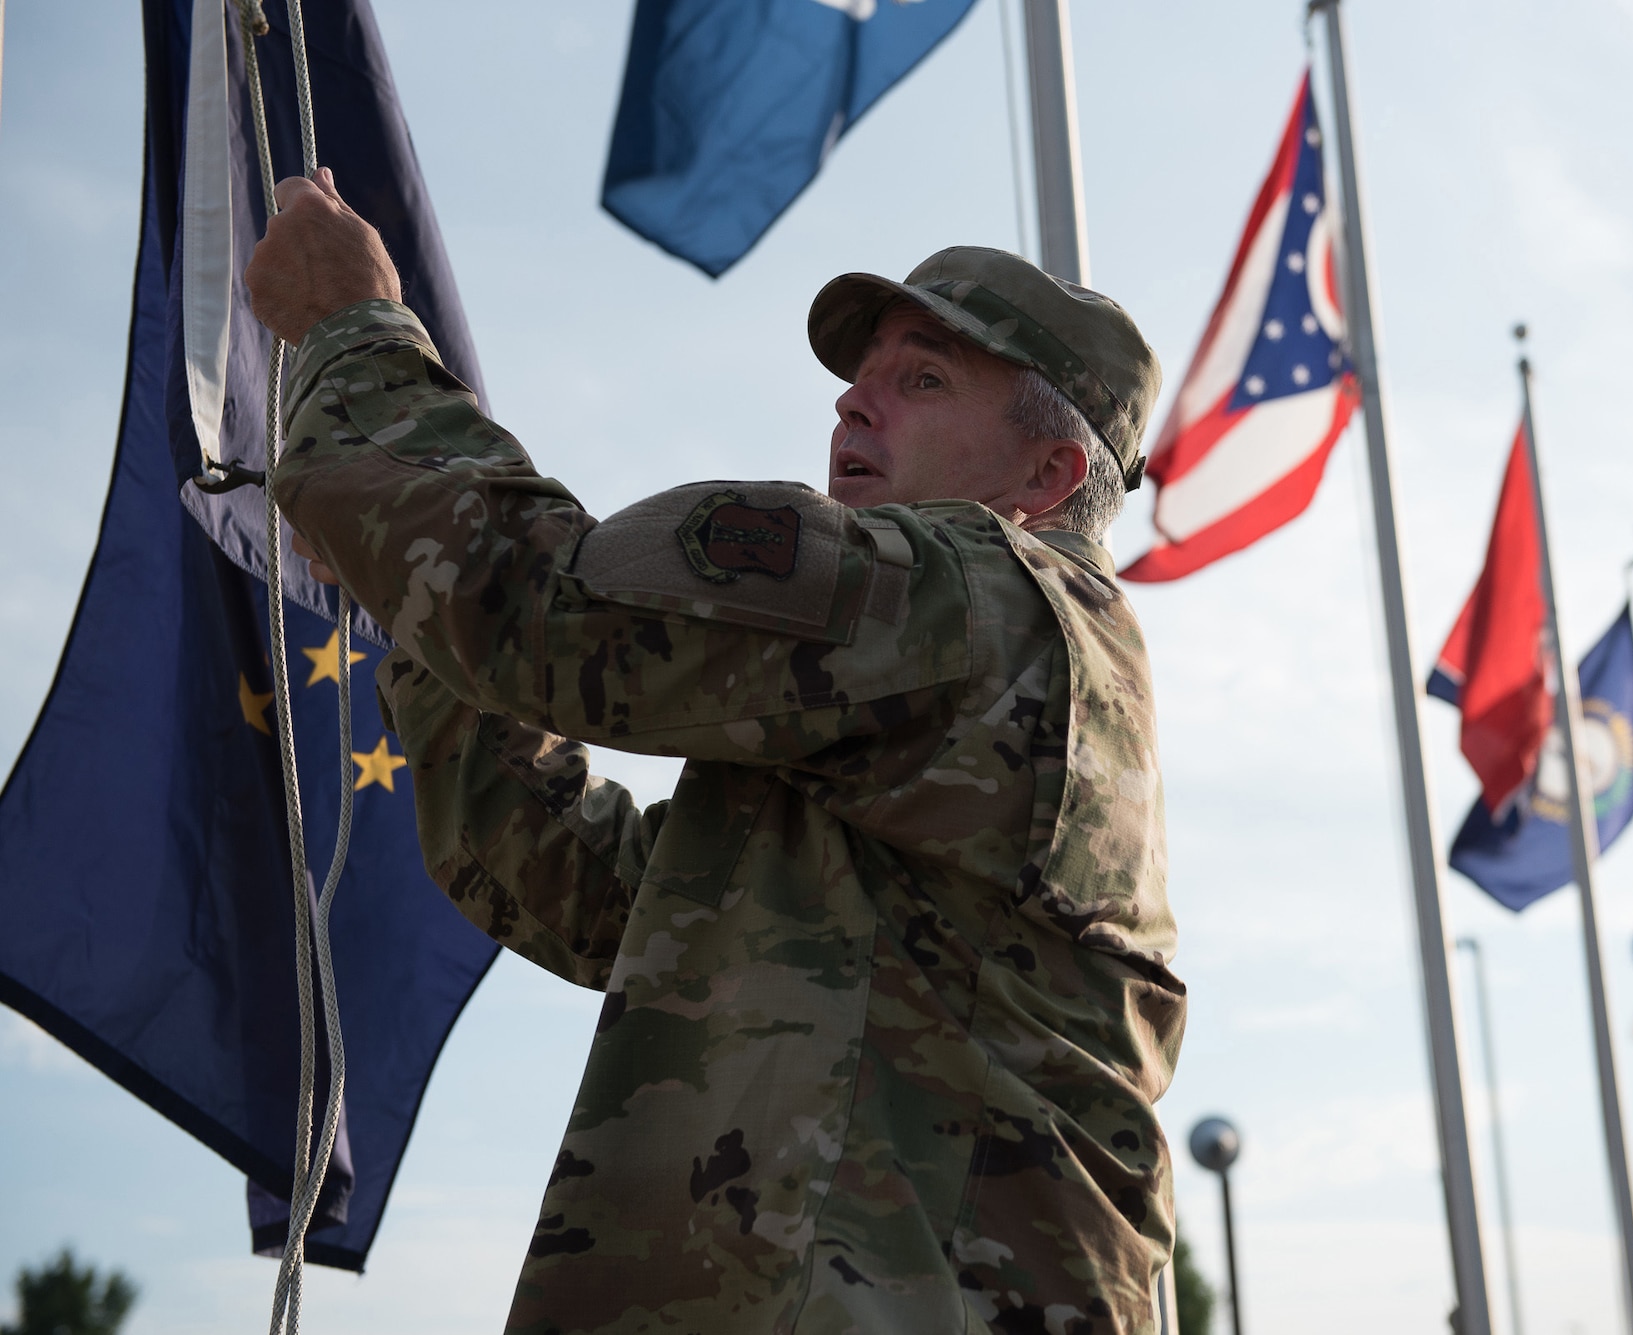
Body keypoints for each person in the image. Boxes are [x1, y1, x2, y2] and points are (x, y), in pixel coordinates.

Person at [249, 167, 1185, 1334]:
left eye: (922, 379)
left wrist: (355, 332)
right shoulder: (940, 693)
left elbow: (542, 610)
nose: (853, 405)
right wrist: (415, 598)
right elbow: (595, 897)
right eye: (857, 380)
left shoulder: (980, 598)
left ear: (1046, 478)